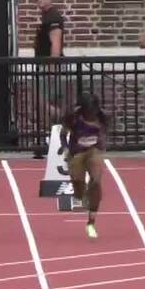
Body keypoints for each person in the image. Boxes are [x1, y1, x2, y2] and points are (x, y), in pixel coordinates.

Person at [61, 92, 109, 239]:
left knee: (96, 181)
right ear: (83, 110)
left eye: (93, 112)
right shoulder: (73, 117)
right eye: (89, 112)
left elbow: (104, 130)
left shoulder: (103, 116)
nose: (91, 114)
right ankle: (83, 195)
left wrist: (101, 141)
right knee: (78, 188)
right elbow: (63, 134)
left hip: (93, 151)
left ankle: (91, 222)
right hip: (77, 153)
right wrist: (65, 148)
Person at [32, 0, 66, 158]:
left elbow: (56, 43)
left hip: (49, 66)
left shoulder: (52, 17)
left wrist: (52, 67)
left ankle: (67, 128)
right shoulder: (46, 16)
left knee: (44, 103)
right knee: (46, 104)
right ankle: (55, 137)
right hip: (45, 65)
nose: (40, 1)